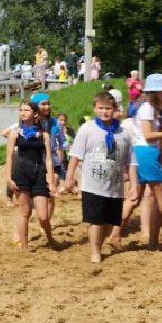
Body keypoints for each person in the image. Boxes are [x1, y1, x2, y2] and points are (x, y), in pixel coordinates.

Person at [66, 91, 139, 264]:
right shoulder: (87, 129)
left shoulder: (123, 133)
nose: (104, 112)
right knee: (96, 221)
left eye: (108, 108)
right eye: (100, 108)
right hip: (92, 184)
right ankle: (95, 252)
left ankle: (100, 242)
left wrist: (134, 185)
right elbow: (75, 156)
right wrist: (69, 177)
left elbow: (131, 162)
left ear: (115, 109)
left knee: (109, 222)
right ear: (94, 109)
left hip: (115, 186)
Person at [118, 74, 162, 248]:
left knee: (134, 197)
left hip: (142, 152)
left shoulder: (154, 109)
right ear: (157, 93)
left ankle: (115, 234)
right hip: (147, 152)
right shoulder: (148, 108)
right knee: (161, 199)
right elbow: (148, 135)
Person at [3, 101, 56, 249]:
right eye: (21, 110)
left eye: (26, 110)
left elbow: (49, 160)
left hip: (39, 174)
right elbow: (9, 158)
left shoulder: (44, 135)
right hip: (21, 174)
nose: (23, 112)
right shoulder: (14, 133)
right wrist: (9, 178)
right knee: (24, 212)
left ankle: (50, 238)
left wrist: (51, 181)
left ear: (35, 114)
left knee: (43, 216)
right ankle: (25, 247)